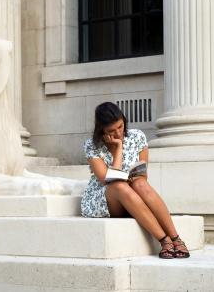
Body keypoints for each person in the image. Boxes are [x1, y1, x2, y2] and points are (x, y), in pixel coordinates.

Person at [81, 102, 190, 259]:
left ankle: (175, 238)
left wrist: (134, 178)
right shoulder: (91, 146)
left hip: (133, 193)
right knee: (119, 185)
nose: (118, 133)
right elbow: (107, 180)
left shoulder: (137, 136)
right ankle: (164, 241)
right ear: (102, 130)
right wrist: (118, 147)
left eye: (120, 126)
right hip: (105, 200)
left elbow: (143, 175)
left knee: (139, 182)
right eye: (112, 130)